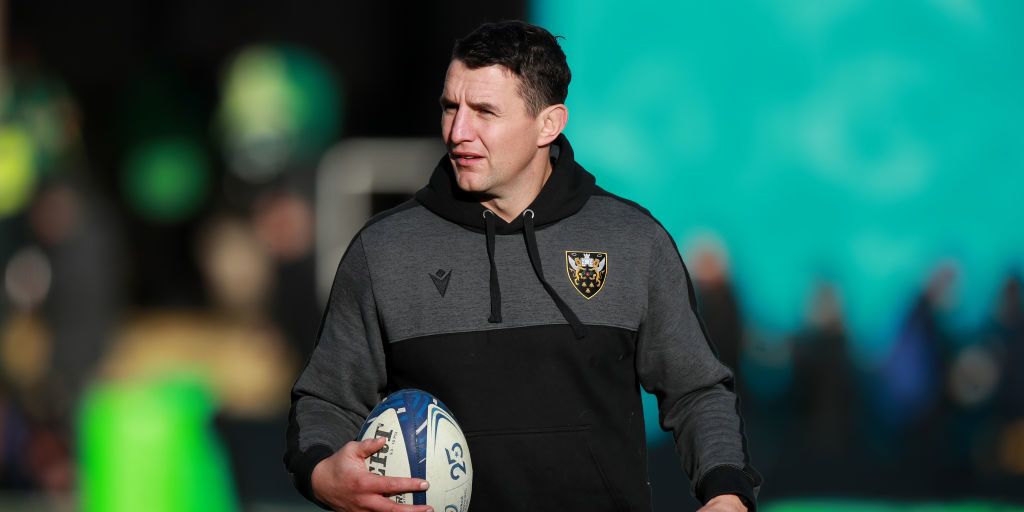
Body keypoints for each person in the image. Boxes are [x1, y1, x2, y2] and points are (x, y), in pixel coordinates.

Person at [285, 20, 760, 512]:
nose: (457, 131)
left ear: (549, 124)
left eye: (484, 111)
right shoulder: (385, 250)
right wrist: (321, 474)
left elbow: (697, 391)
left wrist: (727, 493)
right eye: (450, 107)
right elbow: (325, 401)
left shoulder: (632, 241)